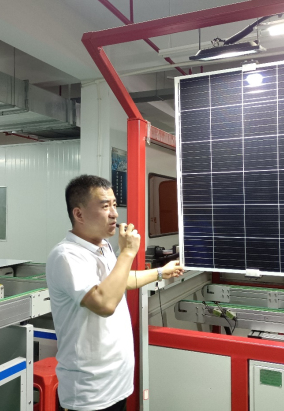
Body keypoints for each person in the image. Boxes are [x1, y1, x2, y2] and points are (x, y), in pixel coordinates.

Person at [46, 174, 183, 411]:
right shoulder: (67, 255)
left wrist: (162, 272)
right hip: (90, 391)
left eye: (114, 204)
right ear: (79, 214)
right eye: (104, 206)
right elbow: (105, 303)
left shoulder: (103, 246)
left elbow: (119, 282)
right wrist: (127, 253)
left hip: (118, 381)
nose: (114, 214)